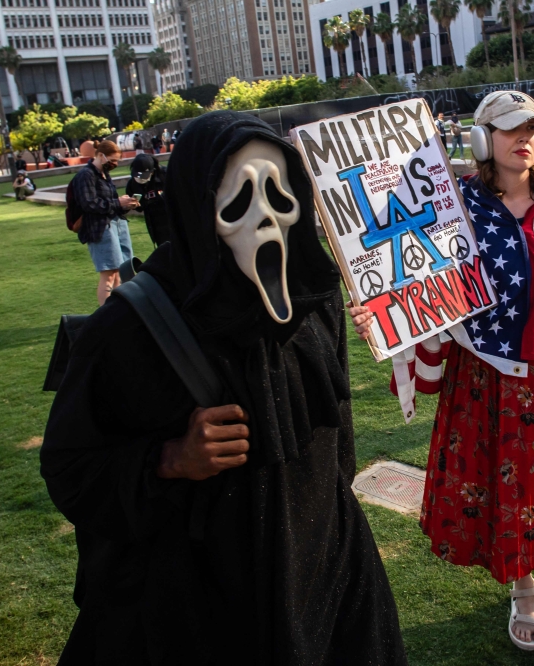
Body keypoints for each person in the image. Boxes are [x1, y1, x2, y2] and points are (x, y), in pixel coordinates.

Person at [41, 110, 408, 665]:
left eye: (277, 196)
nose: (264, 220)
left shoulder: (316, 300)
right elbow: (69, 468)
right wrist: (167, 459)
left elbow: (338, 433)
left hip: (326, 569)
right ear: (196, 203)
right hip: (201, 605)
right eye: (238, 200)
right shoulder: (128, 329)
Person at [351, 90, 534, 652]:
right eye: (511, 128)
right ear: (480, 138)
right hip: (486, 376)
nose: (526, 138)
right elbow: (416, 283)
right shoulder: (451, 207)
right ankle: (524, 591)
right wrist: (381, 309)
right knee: (508, 483)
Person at [69, 139, 140, 305]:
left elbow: (108, 202)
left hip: (116, 224)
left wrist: (125, 204)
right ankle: (105, 313)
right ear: (101, 156)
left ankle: (118, 308)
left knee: (120, 272)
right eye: (113, 160)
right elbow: (89, 203)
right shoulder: (86, 175)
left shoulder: (104, 174)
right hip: (100, 228)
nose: (114, 164)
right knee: (108, 274)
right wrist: (117, 203)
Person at [124, 152, 172, 247]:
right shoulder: (133, 184)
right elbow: (139, 207)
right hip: (155, 225)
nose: (140, 179)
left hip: (172, 219)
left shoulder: (166, 175)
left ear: (152, 171)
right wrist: (134, 205)